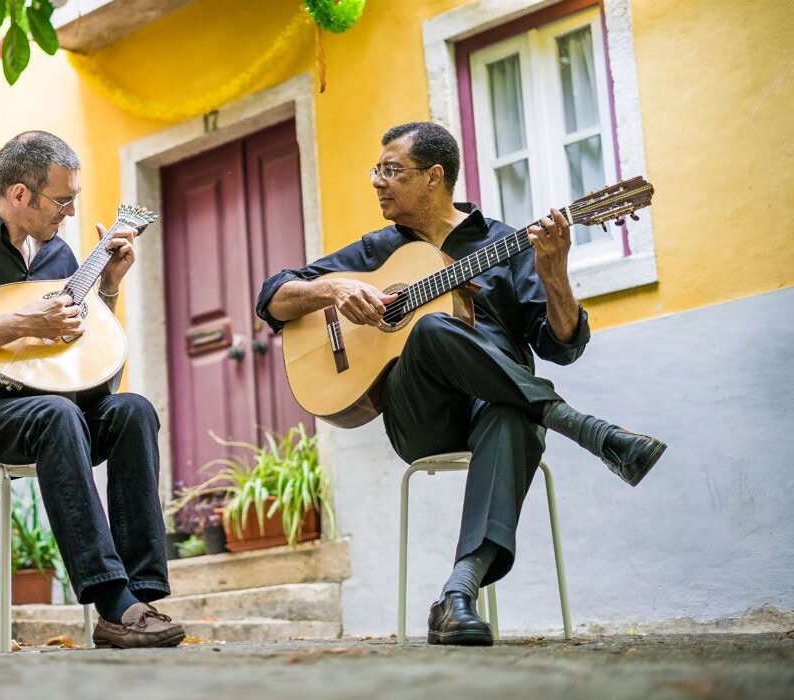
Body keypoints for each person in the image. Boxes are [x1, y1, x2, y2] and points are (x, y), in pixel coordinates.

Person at [255, 122, 665, 646]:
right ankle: (584, 429)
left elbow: (561, 346)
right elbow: (272, 298)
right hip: (421, 418)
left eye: (391, 171)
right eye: (376, 171)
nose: (378, 182)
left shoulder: (504, 243)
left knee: (510, 413)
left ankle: (457, 594)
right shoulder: (379, 250)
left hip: (501, 409)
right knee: (429, 328)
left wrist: (555, 273)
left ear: (434, 177)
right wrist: (331, 288)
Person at [0, 131, 185, 649]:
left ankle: (141, 593)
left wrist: (111, 288)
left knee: (133, 412)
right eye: (62, 199)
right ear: (18, 195)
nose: (72, 212)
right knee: (55, 414)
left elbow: (83, 356)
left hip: (59, 413)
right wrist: (18, 322)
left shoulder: (60, 257)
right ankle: (112, 600)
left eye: (75, 197)